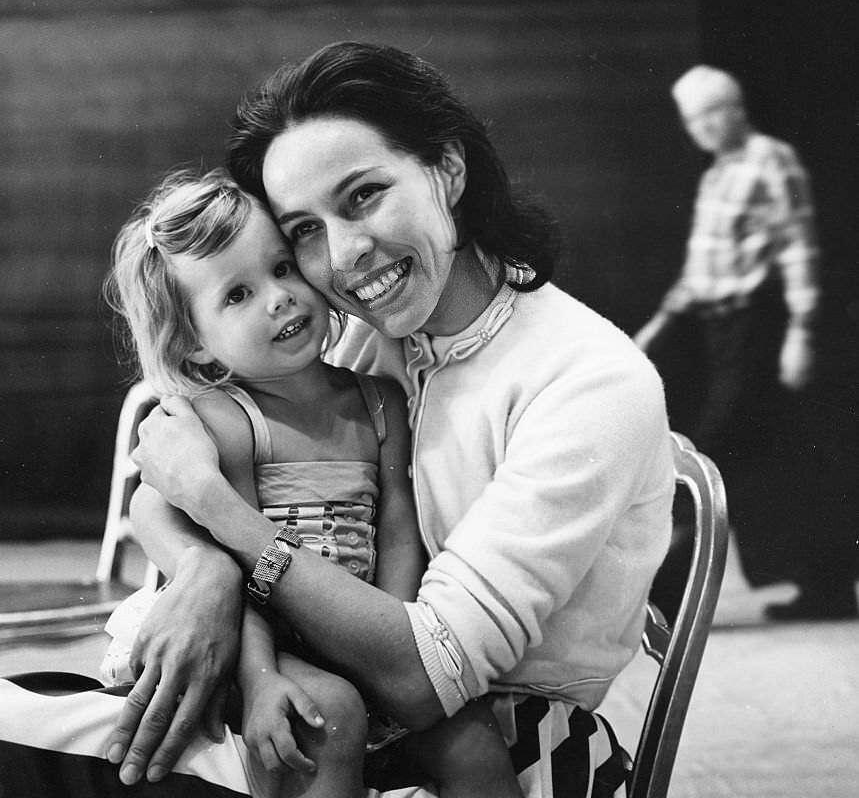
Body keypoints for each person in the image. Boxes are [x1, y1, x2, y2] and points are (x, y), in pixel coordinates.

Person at [0, 42, 676, 798]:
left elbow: (424, 680)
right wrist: (205, 569)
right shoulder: (365, 326)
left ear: (448, 171)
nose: (343, 257)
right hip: (303, 678)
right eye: (304, 232)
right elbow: (168, 456)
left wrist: (227, 532)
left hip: (454, 727)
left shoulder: (586, 380)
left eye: (362, 196)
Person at [100, 165, 524, 798]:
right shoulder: (229, 422)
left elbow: (399, 530)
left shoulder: (380, 401)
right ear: (198, 349)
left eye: (281, 267)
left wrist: (388, 639)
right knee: (330, 715)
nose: (278, 297)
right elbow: (239, 569)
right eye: (236, 295)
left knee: (469, 735)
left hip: (349, 624)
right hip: (255, 639)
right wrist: (263, 676)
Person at [636, 64, 857, 622]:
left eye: (712, 113)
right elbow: (701, 268)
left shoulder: (769, 160)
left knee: (713, 447)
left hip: (763, 325)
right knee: (770, 457)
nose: (704, 127)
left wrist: (801, 335)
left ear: (737, 109)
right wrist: (659, 324)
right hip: (717, 330)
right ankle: (820, 588)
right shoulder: (717, 175)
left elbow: (798, 246)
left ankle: (655, 596)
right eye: (693, 120)